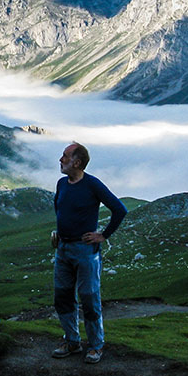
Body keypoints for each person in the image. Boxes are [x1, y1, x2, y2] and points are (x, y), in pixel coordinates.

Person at [51, 142, 127, 364]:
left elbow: (120, 209)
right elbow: (60, 209)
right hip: (63, 248)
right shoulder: (61, 184)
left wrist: (103, 235)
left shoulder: (93, 184)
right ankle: (72, 341)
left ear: (77, 162)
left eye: (65, 156)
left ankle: (95, 346)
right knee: (62, 297)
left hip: (85, 251)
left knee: (89, 297)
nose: (61, 160)